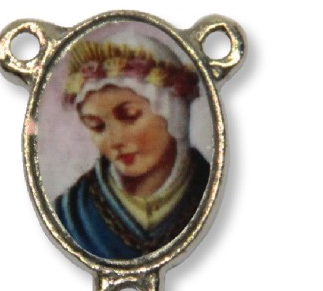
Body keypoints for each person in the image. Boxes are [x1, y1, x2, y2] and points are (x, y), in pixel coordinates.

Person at [54, 31, 209, 260]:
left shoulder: (209, 190)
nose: (115, 140)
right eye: (97, 126)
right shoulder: (73, 213)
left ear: (174, 112)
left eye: (129, 116)